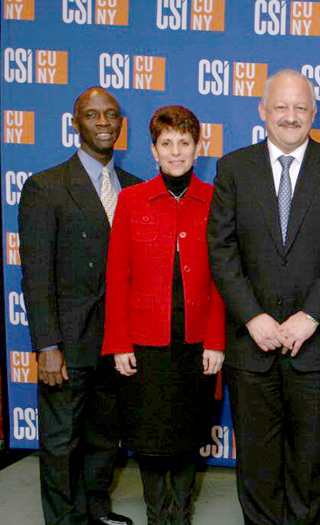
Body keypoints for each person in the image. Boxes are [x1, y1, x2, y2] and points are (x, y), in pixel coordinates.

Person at [207, 69, 320, 524]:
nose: (291, 117)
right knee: (255, 465)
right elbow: (222, 250)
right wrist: (251, 316)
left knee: (306, 465)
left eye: (301, 108)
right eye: (281, 107)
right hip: (250, 345)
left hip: (315, 346)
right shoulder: (233, 168)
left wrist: (310, 316)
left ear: (314, 113)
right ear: (263, 112)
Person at [18, 87, 140, 525]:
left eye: (111, 114)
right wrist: (47, 345)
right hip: (68, 341)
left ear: (120, 122)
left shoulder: (137, 188)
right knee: (61, 438)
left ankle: (95, 509)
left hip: (119, 340)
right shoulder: (45, 187)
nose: (103, 122)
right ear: (76, 123)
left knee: (105, 436)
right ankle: (64, 520)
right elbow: (35, 274)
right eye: (92, 115)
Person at [101, 106, 225, 525]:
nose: (176, 152)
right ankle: (157, 514)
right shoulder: (132, 200)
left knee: (189, 434)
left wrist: (216, 341)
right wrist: (118, 343)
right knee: (149, 435)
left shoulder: (214, 201)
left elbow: (222, 280)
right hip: (143, 342)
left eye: (184, 144)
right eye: (166, 144)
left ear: (198, 148)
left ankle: (181, 512)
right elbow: (116, 276)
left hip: (194, 344)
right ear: (153, 151)